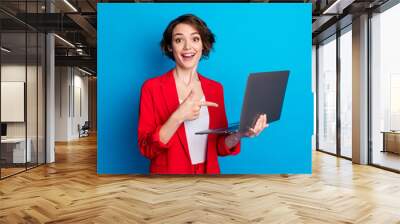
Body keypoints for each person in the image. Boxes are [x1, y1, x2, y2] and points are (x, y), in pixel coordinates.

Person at [138, 14, 268, 174]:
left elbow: (218, 145)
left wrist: (239, 134)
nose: (187, 47)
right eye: (179, 40)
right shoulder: (152, 88)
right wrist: (178, 116)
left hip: (208, 176)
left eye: (195, 39)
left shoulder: (215, 89)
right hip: (169, 179)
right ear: (170, 46)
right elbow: (147, 149)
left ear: (203, 45)